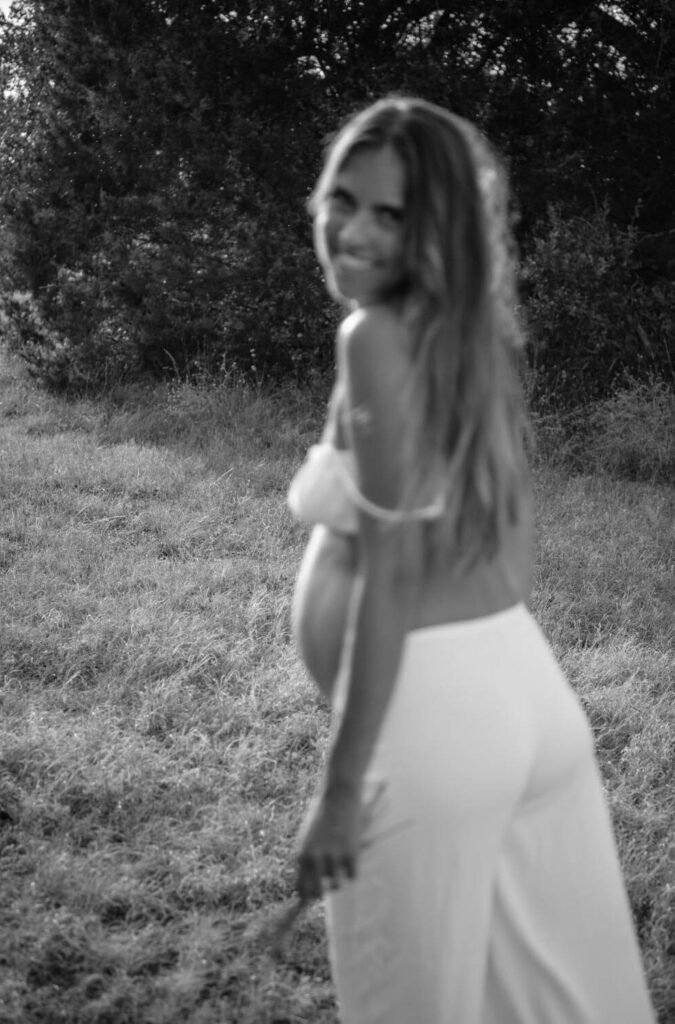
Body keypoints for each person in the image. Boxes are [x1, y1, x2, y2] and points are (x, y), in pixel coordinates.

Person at [287, 96, 655, 1024]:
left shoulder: (372, 337)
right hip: (522, 690)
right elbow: (509, 553)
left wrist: (340, 790)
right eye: (343, 198)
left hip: (433, 728)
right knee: (559, 1003)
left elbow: (392, 573)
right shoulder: (468, 340)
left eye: (391, 213)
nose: (352, 231)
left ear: (434, 228)